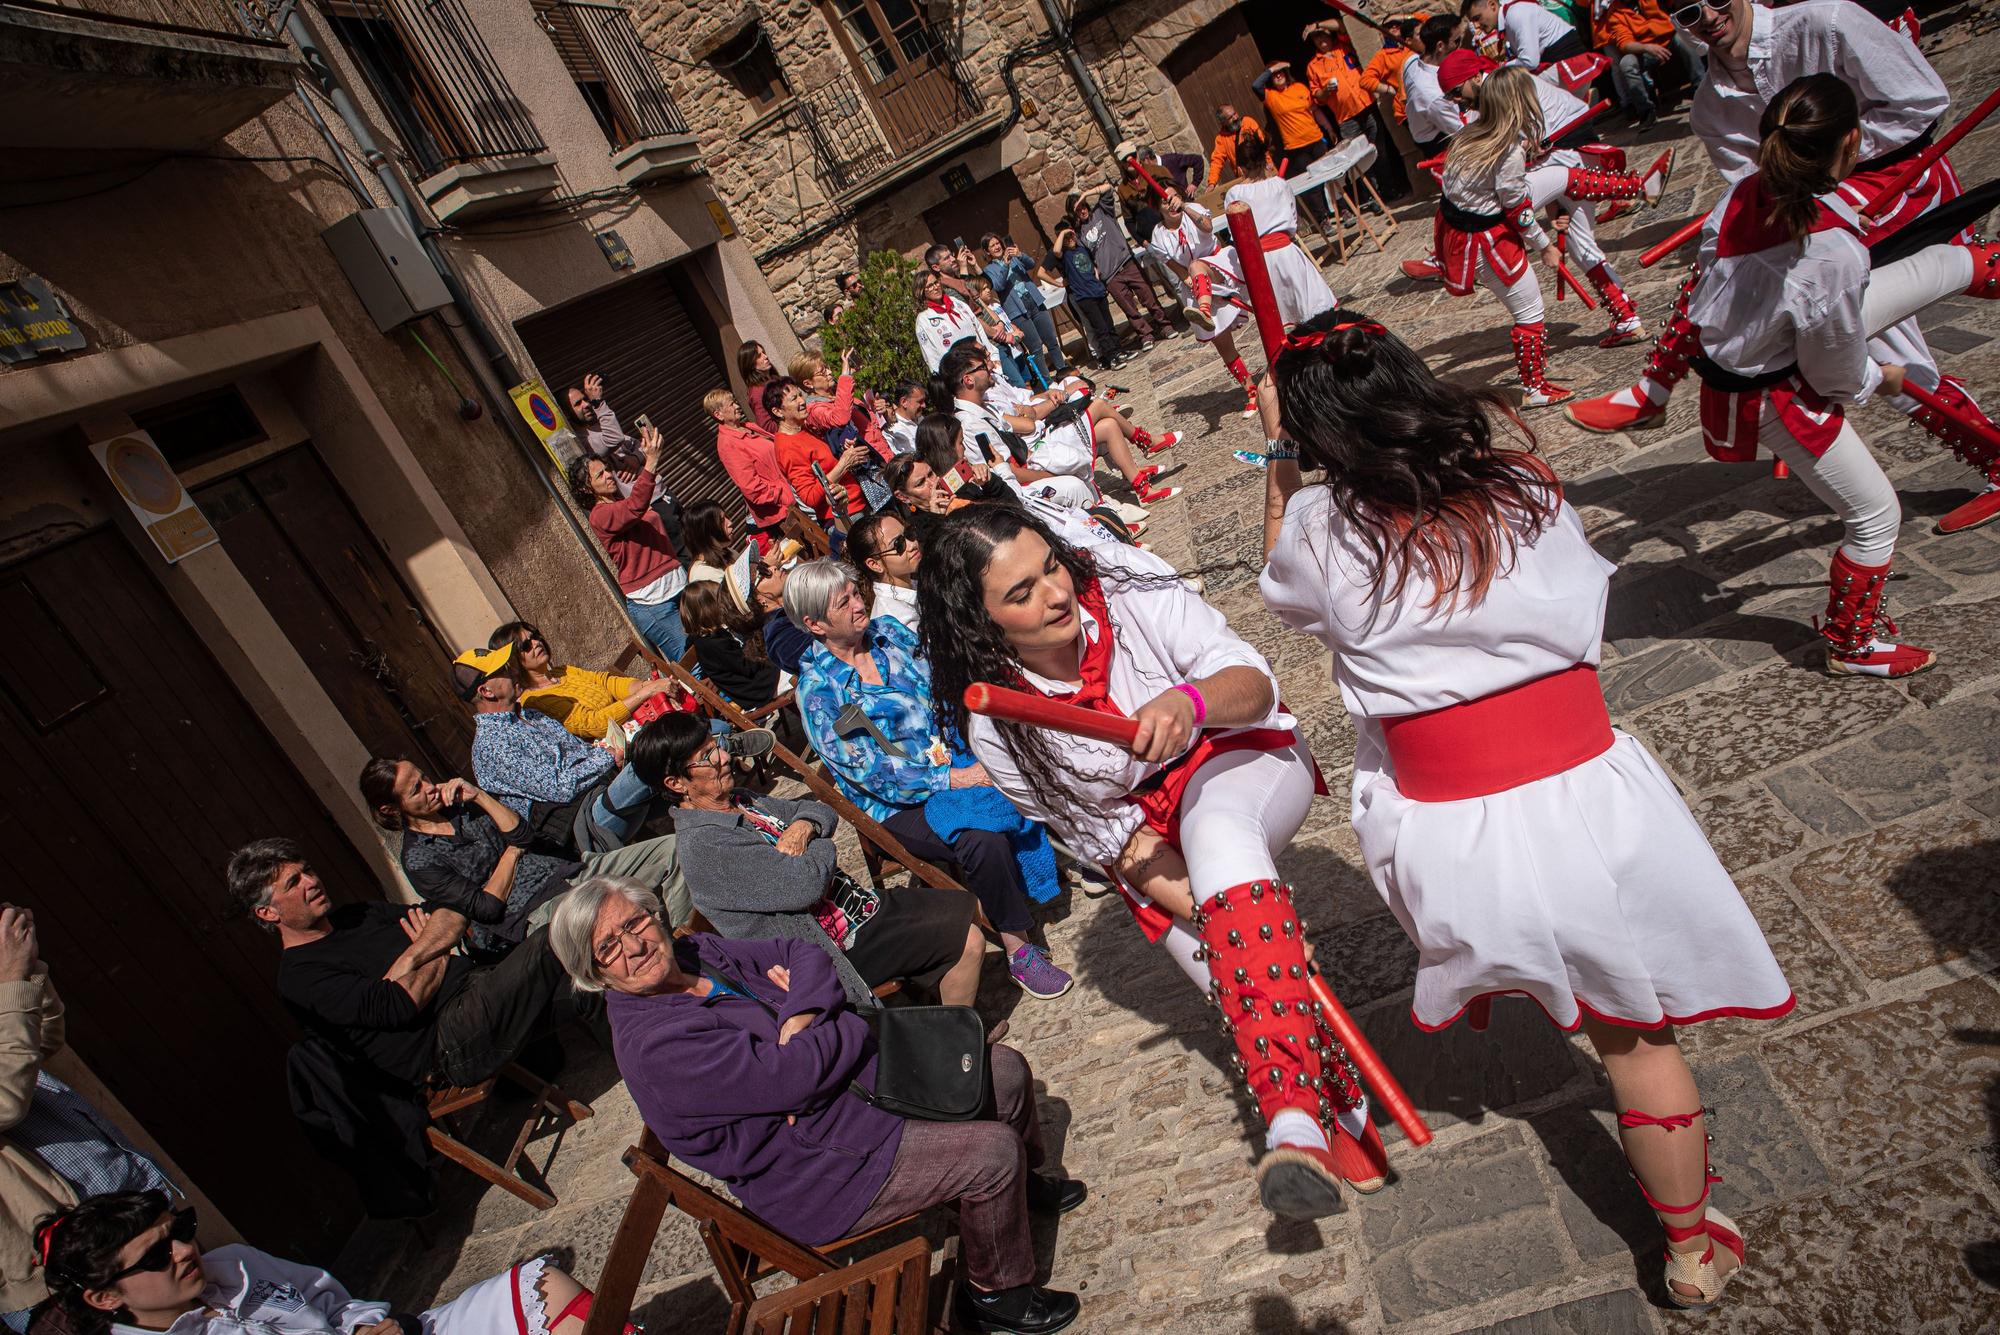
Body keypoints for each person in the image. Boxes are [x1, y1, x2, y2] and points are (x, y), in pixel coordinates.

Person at [1255, 309, 1794, 1307]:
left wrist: (1280, 468)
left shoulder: (1317, 532)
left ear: (1317, 432)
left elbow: (1282, 588)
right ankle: (1685, 1253)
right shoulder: (1526, 487)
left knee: (1581, 998)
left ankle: (1529, 979)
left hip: (1454, 834)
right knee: (1635, 1039)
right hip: (1587, 802)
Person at [916, 507, 1384, 1216]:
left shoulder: (1131, 588)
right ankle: (1333, 1112)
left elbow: (1253, 681)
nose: (1055, 593)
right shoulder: (997, 728)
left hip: (1239, 758)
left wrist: (1190, 701)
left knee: (1224, 840)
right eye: (1021, 594)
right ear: (984, 626)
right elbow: (1119, 842)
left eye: (1052, 566)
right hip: (1146, 841)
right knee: (1240, 979)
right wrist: (1240, 926)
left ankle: (1288, 1115)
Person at [548, 880, 1083, 1335]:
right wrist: (837, 1019)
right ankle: (997, 1297)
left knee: (1006, 1071)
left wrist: (800, 1018)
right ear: (592, 974)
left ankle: (1016, 1196)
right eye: (608, 949)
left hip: (850, 1095)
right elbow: (793, 1079)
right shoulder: (657, 1046)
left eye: (634, 924)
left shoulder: (694, 953)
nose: (633, 946)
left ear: (654, 913)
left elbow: (802, 954)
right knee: (990, 1155)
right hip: (814, 1169)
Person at [1565, 0, 2000, 535]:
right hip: (1818, 225)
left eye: (1717, 2)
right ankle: (1994, 457)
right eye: (1687, 12)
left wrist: (1829, 160)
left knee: (1932, 291)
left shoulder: (1828, 22)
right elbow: (1752, 187)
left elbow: (1921, 101)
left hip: (1900, 194)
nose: (1707, 18)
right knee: (1862, 334)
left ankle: (1653, 389)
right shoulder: (1709, 105)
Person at [1685, 75, 2000, 675]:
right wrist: (1875, 379)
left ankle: (1977, 264)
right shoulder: (1832, 252)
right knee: (1877, 515)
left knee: (1941, 260)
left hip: (1772, 345)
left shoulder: (1745, 193)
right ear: (1853, 142)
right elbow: (1830, 364)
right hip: (1777, 390)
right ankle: (1850, 644)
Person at [785, 559, 1070, 998]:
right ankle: (1019, 948)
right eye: (844, 603)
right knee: (979, 836)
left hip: (950, 754)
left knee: (1025, 750)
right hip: (900, 802)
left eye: (857, 593)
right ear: (815, 623)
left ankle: (1081, 853)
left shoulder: (888, 633)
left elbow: (942, 682)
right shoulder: (821, 694)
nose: (860, 603)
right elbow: (873, 772)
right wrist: (956, 779)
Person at [637, 714, 989, 1010]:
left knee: (968, 905)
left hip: (855, 910)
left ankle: (940, 1013)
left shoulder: (740, 800)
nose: (724, 758)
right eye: (706, 757)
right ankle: (957, 1044)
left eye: (716, 746)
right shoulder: (707, 846)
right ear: (676, 783)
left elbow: (818, 810)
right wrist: (821, 843)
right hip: (831, 950)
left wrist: (804, 828)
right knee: (969, 941)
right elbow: (805, 885)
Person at [227, 838, 602, 1092]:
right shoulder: (301, 978)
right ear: (267, 911)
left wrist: (413, 955)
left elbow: (450, 913)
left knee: (589, 987)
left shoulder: (358, 914)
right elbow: (399, 1005)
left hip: (478, 988)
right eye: (294, 882)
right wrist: (438, 947)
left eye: (307, 870)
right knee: (556, 933)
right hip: (447, 1042)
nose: (312, 881)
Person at [32, 1189, 616, 1335]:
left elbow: (335, 1302)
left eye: (179, 1231)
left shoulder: (232, 1263)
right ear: (105, 1297)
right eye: (157, 1255)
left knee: (543, 1285)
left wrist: (365, 1325)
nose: (185, 1250)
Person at [0, 913, 174, 1330]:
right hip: (55, 1277)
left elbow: (43, 1038)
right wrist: (10, 977)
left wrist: (25, 966)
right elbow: (5, 1099)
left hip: (120, 1210)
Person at [1441, 53, 1671, 349]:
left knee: (1575, 228)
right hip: (1560, 162)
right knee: (1580, 243)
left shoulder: (1502, 90)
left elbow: (1517, 186)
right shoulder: (1501, 88)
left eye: (1456, 91)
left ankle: (1636, 188)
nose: (1455, 100)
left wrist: (1545, 240)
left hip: (1563, 160)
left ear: (1475, 76)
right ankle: (1626, 318)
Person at [1433, 59, 1576, 407]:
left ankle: (1634, 186)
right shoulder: (1506, 150)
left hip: (1464, 229)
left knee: (1563, 175)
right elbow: (1518, 209)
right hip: (1485, 240)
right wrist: (1545, 246)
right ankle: (1535, 388)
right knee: (1529, 311)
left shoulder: (1469, 135)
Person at [456, 643, 676, 853]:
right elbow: (559, 787)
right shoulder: (492, 746)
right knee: (657, 756)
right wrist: (605, 758)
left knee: (673, 766)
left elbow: (581, 752)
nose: (513, 670)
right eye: (503, 669)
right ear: (486, 691)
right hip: (582, 821)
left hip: (604, 787)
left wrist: (611, 755)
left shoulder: (530, 715)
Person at [359, 760, 585, 955]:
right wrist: (513, 851)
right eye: (416, 789)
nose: (430, 787)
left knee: (620, 864)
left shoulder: (463, 807)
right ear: (391, 809)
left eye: (424, 777)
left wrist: (480, 796)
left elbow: (524, 836)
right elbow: (486, 906)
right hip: (527, 912)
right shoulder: (419, 859)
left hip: (561, 872)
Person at [566, 427, 687, 659]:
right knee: (694, 663)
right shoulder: (599, 515)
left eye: (607, 470)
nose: (609, 475)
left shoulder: (620, 501)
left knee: (713, 647)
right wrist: (650, 461)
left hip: (676, 583)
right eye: (599, 475)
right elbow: (635, 506)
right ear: (585, 488)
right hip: (653, 602)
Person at [1149, 188, 1260, 418]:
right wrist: (1193, 285)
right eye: (1164, 201)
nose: (1171, 204)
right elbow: (1177, 268)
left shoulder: (1194, 210)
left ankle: (1205, 311)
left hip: (1219, 266)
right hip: (1196, 286)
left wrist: (1186, 207)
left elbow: (1208, 227)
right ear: (1157, 206)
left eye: (1173, 197)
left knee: (1197, 266)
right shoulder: (1158, 236)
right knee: (1223, 346)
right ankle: (1251, 391)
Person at [1221, 131, 1340, 329]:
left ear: (1240, 168)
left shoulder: (1235, 193)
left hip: (1261, 263)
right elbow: (1292, 224)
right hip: (1287, 255)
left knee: (1277, 321)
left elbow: (1236, 235)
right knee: (1309, 309)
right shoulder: (1279, 185)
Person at [495, 620, 678, 741]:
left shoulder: (563, 671)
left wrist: (646, 685)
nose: (536, 643)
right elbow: (595, 725)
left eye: (535, 636)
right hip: (623, 747)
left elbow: (606, 682)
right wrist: (646, 692)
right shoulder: (535, 700)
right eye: (526, 645)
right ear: (514, 660)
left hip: (637, 726)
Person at [678, 579, 800, 750]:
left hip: (755, 681)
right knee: (796, 666)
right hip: (754, 689)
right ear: (709, 609)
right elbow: (746, 667)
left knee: (788, 656)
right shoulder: (711, 644)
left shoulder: (714, 636)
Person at [1066, 188, 1176, 352]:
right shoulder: (1079, 235)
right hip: (1110, 276)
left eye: (1083, 206)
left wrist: (1086, 194)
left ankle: (1165, 326)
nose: (1082, 210)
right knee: (1129, 308)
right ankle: (1145, 335)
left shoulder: (1102, 211)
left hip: (1127, 262)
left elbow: (1107, 189)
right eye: (1077, 209)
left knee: (1148, 297)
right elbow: (1084, 256)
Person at [795, 349, 895, 509]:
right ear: (808, 383)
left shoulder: (835, 395)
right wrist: (845, 377)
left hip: (885, 458)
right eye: (822, 371)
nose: (829, 372)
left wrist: (878, 409)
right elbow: (840, 418)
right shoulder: (815, 410)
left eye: (827, 367)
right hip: (872, 474)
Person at [766, 377, 867, 529]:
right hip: (846, 517)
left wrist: (845, 451)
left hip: (855, 504)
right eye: (794, 399)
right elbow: (810, 496)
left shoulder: (801, 429)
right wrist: (843, 464)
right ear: (778, 411)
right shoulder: (787, 447)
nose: (802, 401)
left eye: (800, 395)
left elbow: (824, 464)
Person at [1254, 61, 1341, 233]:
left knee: (1330, 177)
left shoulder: (1300, 88)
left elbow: (1315, 111)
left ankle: (1342, 209)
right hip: (1296, 147)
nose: (1278, 75)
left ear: (1287, 74)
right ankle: (1323, 219)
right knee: (1313, 185)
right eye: (1274, 74)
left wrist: (1329, 128)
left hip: (1316, 139)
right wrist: (1272, 68)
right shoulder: (1270, 96)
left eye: (1281, 72)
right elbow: (1255, 85)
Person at [708, 388, 796, 540]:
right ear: (718, 414)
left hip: (792, 495)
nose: (737, 406)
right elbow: (751, 487)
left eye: (735, 402)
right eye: (731, 404)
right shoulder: (728, 444)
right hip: (782, 511)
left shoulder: (746, 426)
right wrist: (782, 495)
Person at [1600, 0, 1704, 126]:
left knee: (1683, 39)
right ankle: (1647, 112)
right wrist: (1646, 48)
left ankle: (1701, 89)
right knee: (1626, 63)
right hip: (1644, 51)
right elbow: (1625, 44)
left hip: (1670, 38)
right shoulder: (1614, 12)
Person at [982, 234, 1068, 378]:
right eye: (992, 245)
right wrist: (1005, 264)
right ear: (987, 251)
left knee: (1051, 340)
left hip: (1033, 300)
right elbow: (999, 285)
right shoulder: (989, 270)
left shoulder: (1013, 256)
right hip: (1017, 311)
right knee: (1036, 348)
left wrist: (1020, 254)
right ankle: (1048, 381)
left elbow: (1031, 264)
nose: (997, 247)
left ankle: (1063, 372)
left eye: (998, 243)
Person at [1046, 225, 1120, 368]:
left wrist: (1096, 274)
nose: (1070, 240)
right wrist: (1064, 233)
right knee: (1100, 328)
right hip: (1084, 296)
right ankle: (1109, 356)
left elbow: (1092, 263)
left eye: (1071, 236)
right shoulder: (1064, 255)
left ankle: (1118, 351)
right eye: (1066, 238)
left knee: (1109, 324)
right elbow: (1055, 250)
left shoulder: (1082, 248)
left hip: (1097, 290)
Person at [846, 510, 922, 630]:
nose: (912, 545)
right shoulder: (898, 621)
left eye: (909, 534)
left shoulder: (917, 582)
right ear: (875, 564)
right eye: (898, 544)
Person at [914, 266, 999, 372]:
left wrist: (992, 356)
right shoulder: (924, 319)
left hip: (984, 361)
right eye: (929, 286)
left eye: (936, 283)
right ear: (921, 291)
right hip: (960, 371)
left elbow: (978, 328)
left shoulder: (956, 302)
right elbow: (930, 355)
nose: (935, 287)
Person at [1463, 0, 1588, 67]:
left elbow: (1529, 62)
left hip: (1570, 59)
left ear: (1492, 5)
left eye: (1477, 18)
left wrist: (1501, 67)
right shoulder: (1508, 18)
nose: (1476, 26)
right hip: (1557, 57)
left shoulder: (1515, 14)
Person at [682, 500, 752, 615]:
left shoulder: (728, 552)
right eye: (722, 521)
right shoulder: (703, 574)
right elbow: (736, 606)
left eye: (726, 517)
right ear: (707, 531)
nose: (730, 523)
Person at [1206, 104, 1266, 186]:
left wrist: (1269, 164)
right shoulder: (1221, 139)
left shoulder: (1248, 122)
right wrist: (1212, 183)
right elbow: (1217, 161)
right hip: (1246, 180)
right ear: (1223, 122)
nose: (1235, 117)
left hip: (1263, 170)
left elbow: (1262, 143)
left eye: (1235, 113)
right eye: (1230, 117)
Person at [739, 340, 780, 433]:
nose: (765, 357)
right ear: (750, 364)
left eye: (764, 353)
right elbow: (767, 426)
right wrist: (791, 423)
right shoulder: (757, 392)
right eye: (759, 356)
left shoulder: (773, 378)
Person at [882, 380, 927, 457]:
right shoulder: (893, 430)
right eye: (920, 401)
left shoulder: (920, 419)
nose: (924, 405)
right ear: (904, 402)